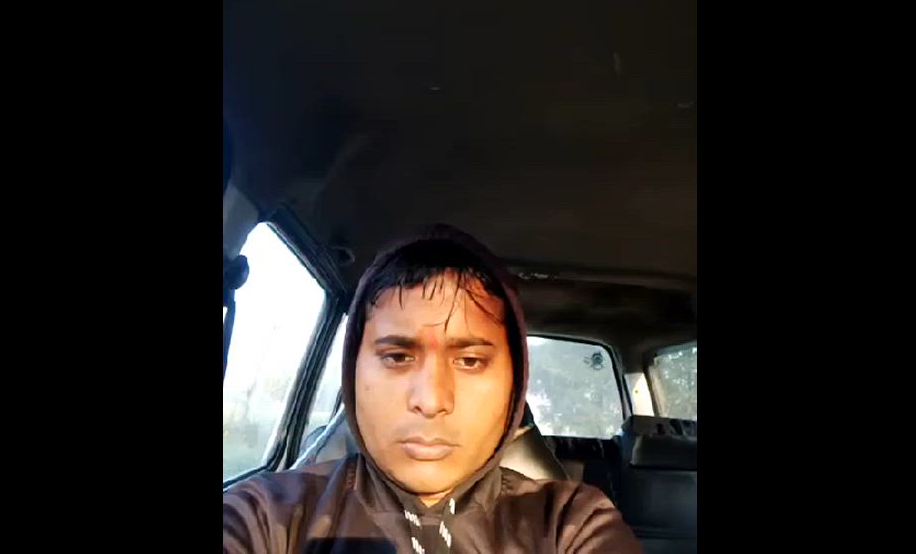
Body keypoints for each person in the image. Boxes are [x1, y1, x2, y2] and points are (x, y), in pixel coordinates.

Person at [223, 224, 641, 553]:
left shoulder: (571, 523)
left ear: (515, 387)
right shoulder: (267, 517)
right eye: (397, 357)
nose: (431, 400)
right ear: (353, 374)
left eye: (470, 361)